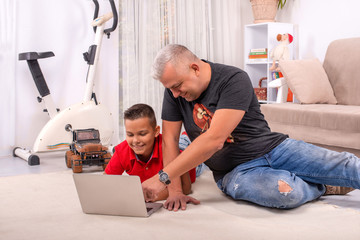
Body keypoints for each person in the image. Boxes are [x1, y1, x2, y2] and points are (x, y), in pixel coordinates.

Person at [141, 44, 359, 211]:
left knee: (347, 165)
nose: (175, 94)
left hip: (275, 149)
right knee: (285, 193)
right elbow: (169, 139)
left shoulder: (233, 79)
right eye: (170, 89)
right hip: (234, 172)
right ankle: (324, 185)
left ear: (195, 68)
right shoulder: (174, 94)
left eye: (177, 86)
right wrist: (175, 191)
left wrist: (162, 177)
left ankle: (327, 176)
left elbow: (215, 139)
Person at [105, 103, 196, 202]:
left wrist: (148, 197)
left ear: (156, 131)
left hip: (185, 153)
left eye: (142, 134)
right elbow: (106, 181)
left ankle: (187, 135)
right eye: (130, 135)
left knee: (192, 144)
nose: (135, 140)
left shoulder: (170, 150)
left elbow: (186, 188)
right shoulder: (121, 151)